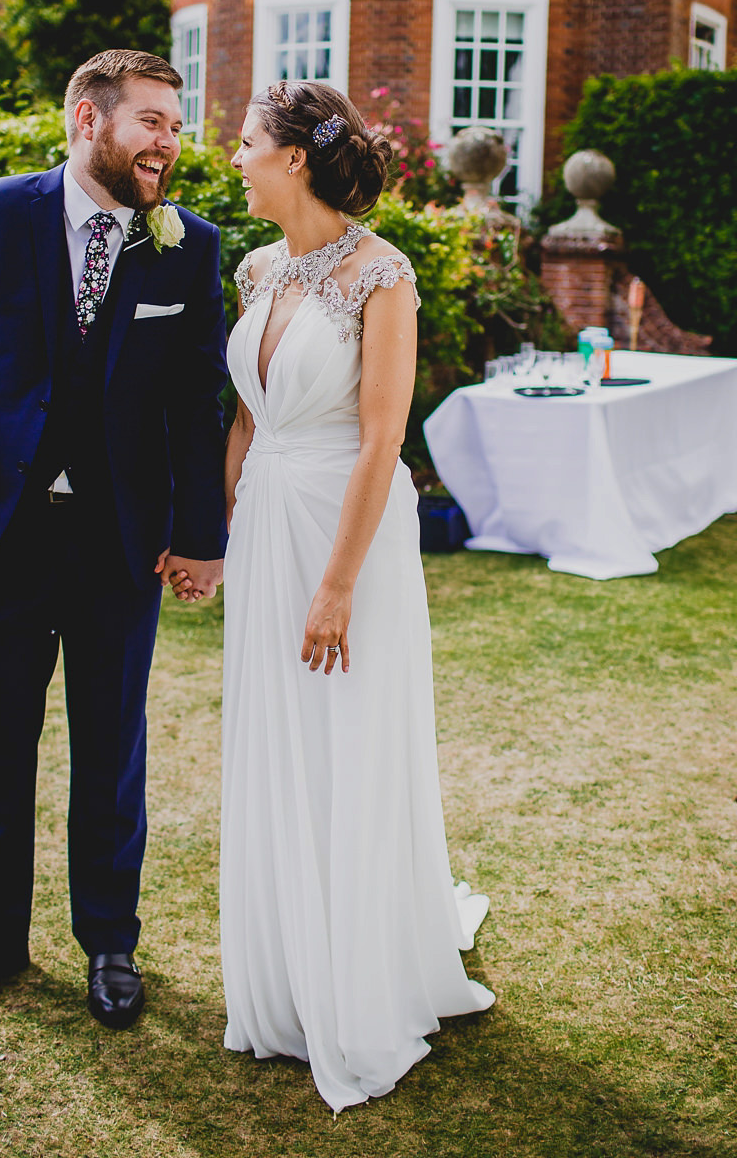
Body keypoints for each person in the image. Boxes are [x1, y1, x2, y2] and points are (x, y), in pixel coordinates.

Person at [0, 49, 228, 1028]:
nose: (172, 140)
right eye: (153, 122)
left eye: (177, 122)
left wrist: (201, 536)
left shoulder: (187, 244)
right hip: (0, 535)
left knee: (110, 750)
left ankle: (110, 944)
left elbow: (192, 403)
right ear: (89, 120)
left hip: (121, 544)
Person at [218, 79, 495, 1111]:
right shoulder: (254, 268)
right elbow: (246, 416)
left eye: (245, 143)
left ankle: (358, 977)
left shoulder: (383, 274)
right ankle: (287, 973)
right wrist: (216, 529)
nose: (232, 157)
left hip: (347, 530)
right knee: (275, 736)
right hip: (262, 529)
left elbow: (384, 437)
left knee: (344, 735)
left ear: (293, 158)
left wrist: (334, 585)